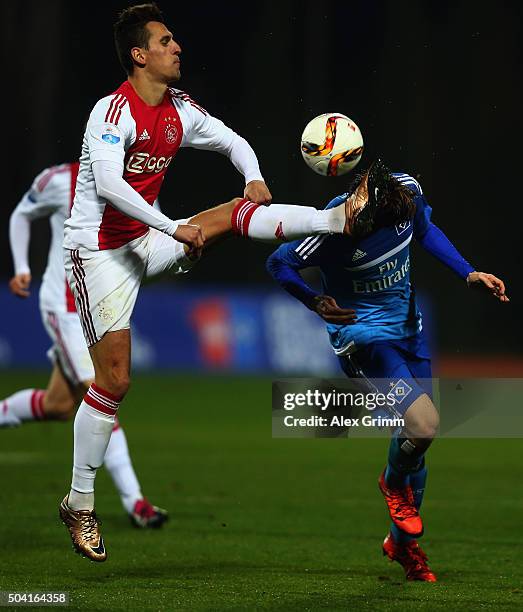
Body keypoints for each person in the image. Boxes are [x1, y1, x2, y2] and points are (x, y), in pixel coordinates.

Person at [59, 2, 358, 562]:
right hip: (98, 253)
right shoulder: (111, 111)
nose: (178, 48)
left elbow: (232, 140)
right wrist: (175, 227)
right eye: (166, 41)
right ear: (139, 54)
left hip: (147, 239)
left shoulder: (179, 109)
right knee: (115, 382)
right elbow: (107, 185)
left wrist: (254, 177)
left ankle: (333, 220)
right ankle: (79, 503)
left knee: (230, 212)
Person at [266, 159, 508, 582]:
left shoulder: (406, 200)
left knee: (418, 441)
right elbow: (278, 263)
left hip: (409, 334)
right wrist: (313, 299)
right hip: (365, 344)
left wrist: (467, 273)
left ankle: (402, 545)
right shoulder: (329, 228)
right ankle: (392, 486)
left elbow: (427, 230)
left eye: (361, 213)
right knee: (424, 424)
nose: (351, 213)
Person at [2, 161, 168, 528]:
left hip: (104, 303)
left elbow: (157, 231)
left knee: (58, 405)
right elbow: (21, 214)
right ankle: (137, 503)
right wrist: (20, 267)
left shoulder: (137, 184)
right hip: (66, 307)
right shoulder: (58, 179)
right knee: (105, 394)